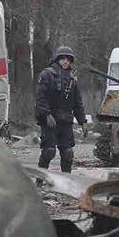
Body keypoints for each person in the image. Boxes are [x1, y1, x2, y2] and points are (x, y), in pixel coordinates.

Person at [35, 45, 86, 173]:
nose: (65, 61)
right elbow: (41, 98)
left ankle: (67, 182)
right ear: (57, 59)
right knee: (49, 151)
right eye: (62, 58)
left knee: (68, 153)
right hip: (50, 121)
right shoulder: (47, 74)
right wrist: (46, 115)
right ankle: (40, 180)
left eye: (68, 59)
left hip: (66, 121)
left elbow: (77, 103)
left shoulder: (72, 79)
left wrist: (82, 122)